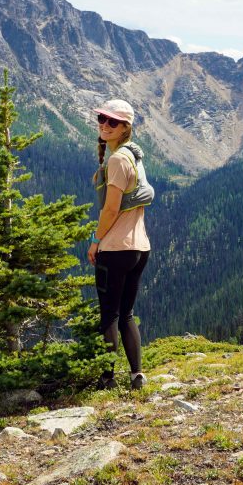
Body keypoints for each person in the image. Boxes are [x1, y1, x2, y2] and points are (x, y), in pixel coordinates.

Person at [88, 99, 154, 390]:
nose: (105, 124)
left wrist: (95, 240)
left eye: (112, 122)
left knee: (110, 315)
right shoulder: (135, 156)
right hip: (141, 248)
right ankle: (136, 375)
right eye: (102, 118)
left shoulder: (116, 160)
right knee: (126, 313)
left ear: (125, 127)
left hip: (115, 249)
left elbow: (111, 210)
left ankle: (106, 379)